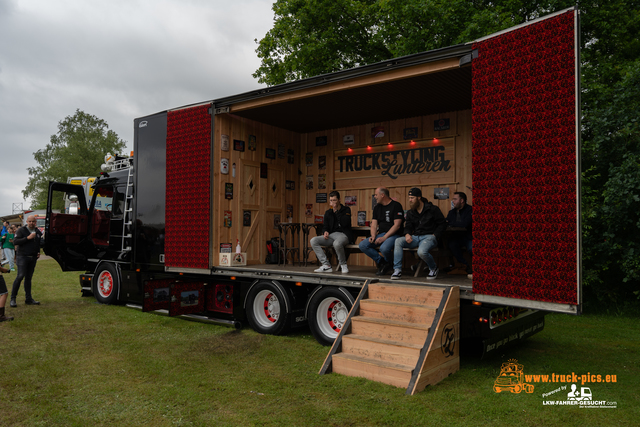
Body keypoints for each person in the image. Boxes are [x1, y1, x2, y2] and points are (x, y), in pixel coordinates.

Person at [392, 188, 446, 280]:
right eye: (409, 197)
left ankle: (433, 268)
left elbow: (443, 224)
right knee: (398, 241)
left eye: (412, 198)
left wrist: (435, 235)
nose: (410, 200)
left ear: (419, 198)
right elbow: (408, 226)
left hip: (429, 237)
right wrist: (407, 234)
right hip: (416, 237)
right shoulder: (410, 212)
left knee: (421, 252)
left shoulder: (432, 209)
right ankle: (397, 270)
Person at [358, 187, 404, 275]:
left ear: (382, 195)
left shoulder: (396, 205)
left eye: (376, 194)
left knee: (384, 248)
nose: (375, 197)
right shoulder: (377, 208)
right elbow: (374, 224)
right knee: (362, 245)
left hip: (394, 235)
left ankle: (389, 264)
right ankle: (384, 263)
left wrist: (384, 237)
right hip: (381, 234)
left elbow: (397, 225)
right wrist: (373, 236)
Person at [311, 191, 354, 274]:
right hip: (331, 236)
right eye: (331, 200)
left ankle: (343, 264)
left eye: (334, 200)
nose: (332, 202)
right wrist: (325, 231)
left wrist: (336, 211)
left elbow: (346, 223)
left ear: (339, 200)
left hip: (344, 234)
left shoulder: (346, 210)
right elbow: (325, 226)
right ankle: (326, 265)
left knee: (337, 244)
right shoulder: (328, 213)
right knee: (313, 240)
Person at [10, 215, 43, 307]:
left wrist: (38, 252)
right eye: (30, 221)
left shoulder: (37, 231)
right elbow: (15, 242)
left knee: (28, 278)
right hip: (22, 257)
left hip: (32, 258)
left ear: (35, 222)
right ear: (27, 222)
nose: (31, 223)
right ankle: (13, 298)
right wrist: (27, 238)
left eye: (33, 221)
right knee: (20, 276)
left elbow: (38, 243)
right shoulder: (21, 230)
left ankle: (28, 299)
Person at [445, 192, 473, 274]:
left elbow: (465, 224)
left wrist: (452, 223)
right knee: (451, 245)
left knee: (472, 248)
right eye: (453, 199)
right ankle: (465, 266)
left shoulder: (470, 210)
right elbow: (446, 222)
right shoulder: (452, 212)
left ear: (462, 200)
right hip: (457, 237)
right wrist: (452, 223)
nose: (453, 201)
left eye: (455, 199)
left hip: (469, 237)